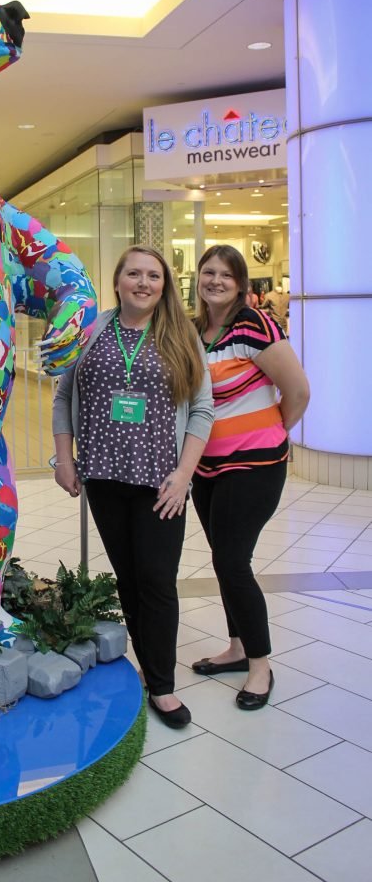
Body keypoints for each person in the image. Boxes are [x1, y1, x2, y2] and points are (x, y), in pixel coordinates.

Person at [52, 245, 214, 729]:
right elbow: (64, 396)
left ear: (164, 286)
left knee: (157, 581)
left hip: (161, 481)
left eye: (154, 276)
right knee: (128, 577)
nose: (144, 283)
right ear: (118, 280)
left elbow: (202, 409)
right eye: (134, 274)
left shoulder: (181, 334)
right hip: (103, 477)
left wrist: (184, 476)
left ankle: (163, 688)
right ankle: (149, 666)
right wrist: (64, 458)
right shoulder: (94, 330)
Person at [191, 245, 309, 709]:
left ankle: (260, 664)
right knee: (224, 557)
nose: (215, 280)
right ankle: (237, 648)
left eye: (226, 274)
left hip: (255, 466)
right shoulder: (196, 331)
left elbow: (298, 390)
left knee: (233, 561)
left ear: (241, 284)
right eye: (208, 272)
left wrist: (271, 432)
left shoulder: (255, 325)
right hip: (206, 467)